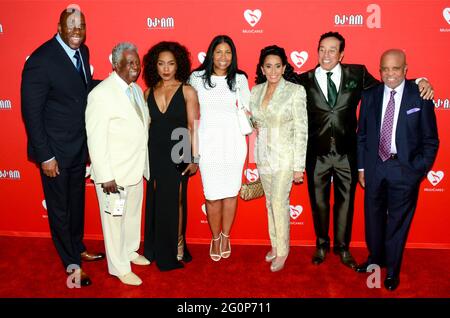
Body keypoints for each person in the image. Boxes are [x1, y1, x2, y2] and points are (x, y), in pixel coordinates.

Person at [293, 31, 434, 269]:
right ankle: (321, 244)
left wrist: (420, 80)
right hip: (316, 154)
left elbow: (390, 85)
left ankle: (343, 247)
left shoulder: (356, 74)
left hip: (348, 154)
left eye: (332, 50)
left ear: (341, 54)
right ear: (317, 51)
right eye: (322, 50)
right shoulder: (303, 79)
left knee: (346, 204)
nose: (326, 55)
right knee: (319, 203)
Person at [21, 7, 104, 287]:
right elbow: (31, 113)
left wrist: (115, 84)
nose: (77, 31)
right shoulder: (41, 60)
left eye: (81, 26)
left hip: (79, 147)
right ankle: (72, 265)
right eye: (71, 26)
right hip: (54, 151)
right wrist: (45, 155)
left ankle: (77, 247)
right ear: (59, 27)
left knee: (76, 205)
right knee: (59, 209)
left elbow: (81, 88)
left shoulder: (84, 51)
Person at [356, 49, 439, 291]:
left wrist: (419, 170)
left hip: (405, 170)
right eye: (385, 69)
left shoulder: (420, 95)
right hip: (375, 167)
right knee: (373, 220)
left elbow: (431, 140)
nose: (390, 74)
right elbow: (361, 136)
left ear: (405, 69)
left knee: (397, 223)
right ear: (380, 70)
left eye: (395, 68)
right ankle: (375, 260)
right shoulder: (370, 95)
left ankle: (392, 269)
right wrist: (362, 167)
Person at [85, 42, 151, 286]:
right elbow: (96, 138)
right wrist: (105, 176)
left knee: (132, 216)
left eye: (137, 62)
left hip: (135, 169)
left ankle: (130, 251)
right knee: (114, 221)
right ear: (115, 65)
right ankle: (119, 267)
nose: (135, 67)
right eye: (129, 63)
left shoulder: (134, 89)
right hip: (114, 175)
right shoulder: (101, 94)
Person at [189, 35, 250, 261]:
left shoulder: (240, 79)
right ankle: (215, 237)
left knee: (231, 194)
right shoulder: (196, 78)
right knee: (213, 195)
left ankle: (226, 235)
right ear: (211, 54)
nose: (223, 57)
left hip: (233, 143)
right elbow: (190, 114)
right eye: (218, 52)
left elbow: (250, 108)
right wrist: (191, 150)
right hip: (208, 144)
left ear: (232, 55)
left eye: (228, 52)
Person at [142, 41, 199, 271]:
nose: (166, 68)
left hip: (179, 148)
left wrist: (195, 158)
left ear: (179, 65)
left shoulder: (187, 90)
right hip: (154, 149)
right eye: (161, 63)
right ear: (154, 66)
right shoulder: (147, 92)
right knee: (156, 200)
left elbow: (193, 126)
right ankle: (155, 247)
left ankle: (178, 246)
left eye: (171, 63)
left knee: (176, 199)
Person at [249, 45, 308, 272]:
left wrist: (298, 167)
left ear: (284, 67)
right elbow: (256, 122)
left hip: (285, 156)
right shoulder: (256, 91)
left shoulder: (295, 91)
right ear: (262, 69)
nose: (273, 71)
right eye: (268, 66)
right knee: (269, 203)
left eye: (277, 66)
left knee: (279, 203)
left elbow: (302, 130)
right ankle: (274, 245)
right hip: (263, 155)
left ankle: (283, 251)